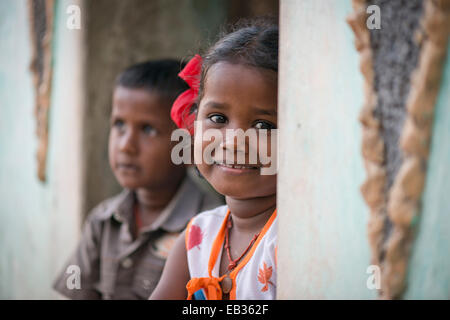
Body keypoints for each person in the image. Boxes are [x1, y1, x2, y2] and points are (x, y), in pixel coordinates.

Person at [53, 59, 223, 299]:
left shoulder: (211, 228)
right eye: (119, 125)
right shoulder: (103, 221)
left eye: (148, 130)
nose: (126, 146)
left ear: (187, 147)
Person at [150, 19, 278, 300]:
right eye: (218, 118)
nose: (233, 141)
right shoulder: (196, 236)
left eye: (263, 125)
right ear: (194, 122)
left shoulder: (289, 244)